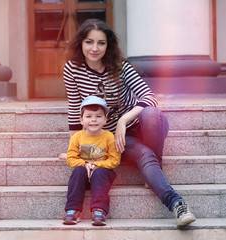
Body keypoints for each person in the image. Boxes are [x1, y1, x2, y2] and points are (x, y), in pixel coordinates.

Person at [60, 18, 195, 226]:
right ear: (81, 43)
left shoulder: (119, 67)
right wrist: (74, 147)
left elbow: (150, 97)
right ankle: (171, 195)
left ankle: (162, 182)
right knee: (144, 154)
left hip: (135, 127)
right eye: (89, 42)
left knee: (152, 114)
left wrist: (123, 120)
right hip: (108, 140)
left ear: (109, 45)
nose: (95, 48)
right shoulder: (72, 69)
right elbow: (74, 109)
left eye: (101, 43)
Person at [63, 96, 120, 226]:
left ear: (105, 119)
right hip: (83, 175)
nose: (93, 120)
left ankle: (99, 210)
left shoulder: (109, 137)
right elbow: (70, 157)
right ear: (81, 120)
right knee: (78, 171)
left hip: (102, 175)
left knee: (100, 173)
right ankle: (73, 210)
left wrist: (95, 165)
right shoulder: (77, 137)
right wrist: (85, 164)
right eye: (88, 116)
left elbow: (114, 160)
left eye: (98, 116)